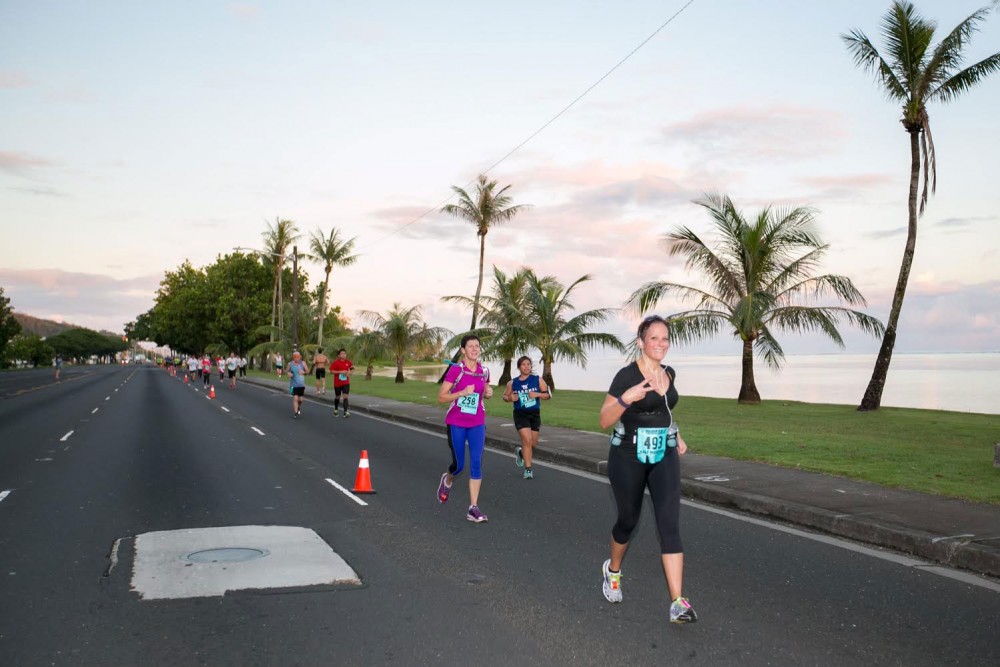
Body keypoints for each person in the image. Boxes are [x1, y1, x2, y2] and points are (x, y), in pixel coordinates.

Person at [598, 315, 696, 624]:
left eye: (665, 338)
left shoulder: (669, 373)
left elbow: (663, 411)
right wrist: (626, 400)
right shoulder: (626, 376)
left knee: (669, 524)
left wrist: (676, 434)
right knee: (628, 520)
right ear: (641, 342)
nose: (661, 344)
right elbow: (604, 419)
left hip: (663, 455)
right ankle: (613, 570)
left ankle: (678, 602)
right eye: (654, 338)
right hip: (627, 455)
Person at [436, 335, 493, 523]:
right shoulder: (455, 371)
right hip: (457, 423)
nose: (475, 349)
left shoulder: (484, 371)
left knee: (476, 462)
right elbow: (442, 397)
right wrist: (461, 392)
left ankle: (473, 508)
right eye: (471, 346)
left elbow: (485, 390)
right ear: (463, 350)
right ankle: (448, 480)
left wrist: (488, 392)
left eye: (477, 346)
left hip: (477, 422)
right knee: (459, 466)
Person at [502, 356, 550, 480]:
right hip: (520, 414)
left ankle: (520, 452)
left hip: (534, 414)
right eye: (523, 364)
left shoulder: (537, 379)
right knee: (527, 441)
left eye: (528, 364)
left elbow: (547, 395)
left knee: (533, 443)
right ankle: (528, 470)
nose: (526, 366)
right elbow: (505, 396)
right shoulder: (512, 383)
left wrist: (537, 394)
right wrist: (510, 398)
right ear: (519, 367)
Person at [330, 348, 354, 418]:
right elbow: (331, 371)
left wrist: (350, 372)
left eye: (344, 354)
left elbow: (353, 368)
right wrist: (341, 371)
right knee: (337, 397)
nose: (343, 355)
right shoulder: (336, 362)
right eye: (342, 354)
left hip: (346, 382)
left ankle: (345, 412)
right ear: (339, 355)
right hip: (337, 383)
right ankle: (336, 409)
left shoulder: (348, 362)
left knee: (345, 396)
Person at [288, 350, 309, 418]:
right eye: (295, 357)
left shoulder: (303, 363)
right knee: (295, 399)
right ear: (293, 357)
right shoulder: (290, 364)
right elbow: (286, 370)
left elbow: (307, 371)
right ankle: (296, 412)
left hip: (301, 385)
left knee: (300, 400)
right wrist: (289, 373)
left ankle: (298, 407)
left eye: (298, 357)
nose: (297, 358)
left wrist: (304, 372)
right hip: (293, 385)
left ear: (300, 357)